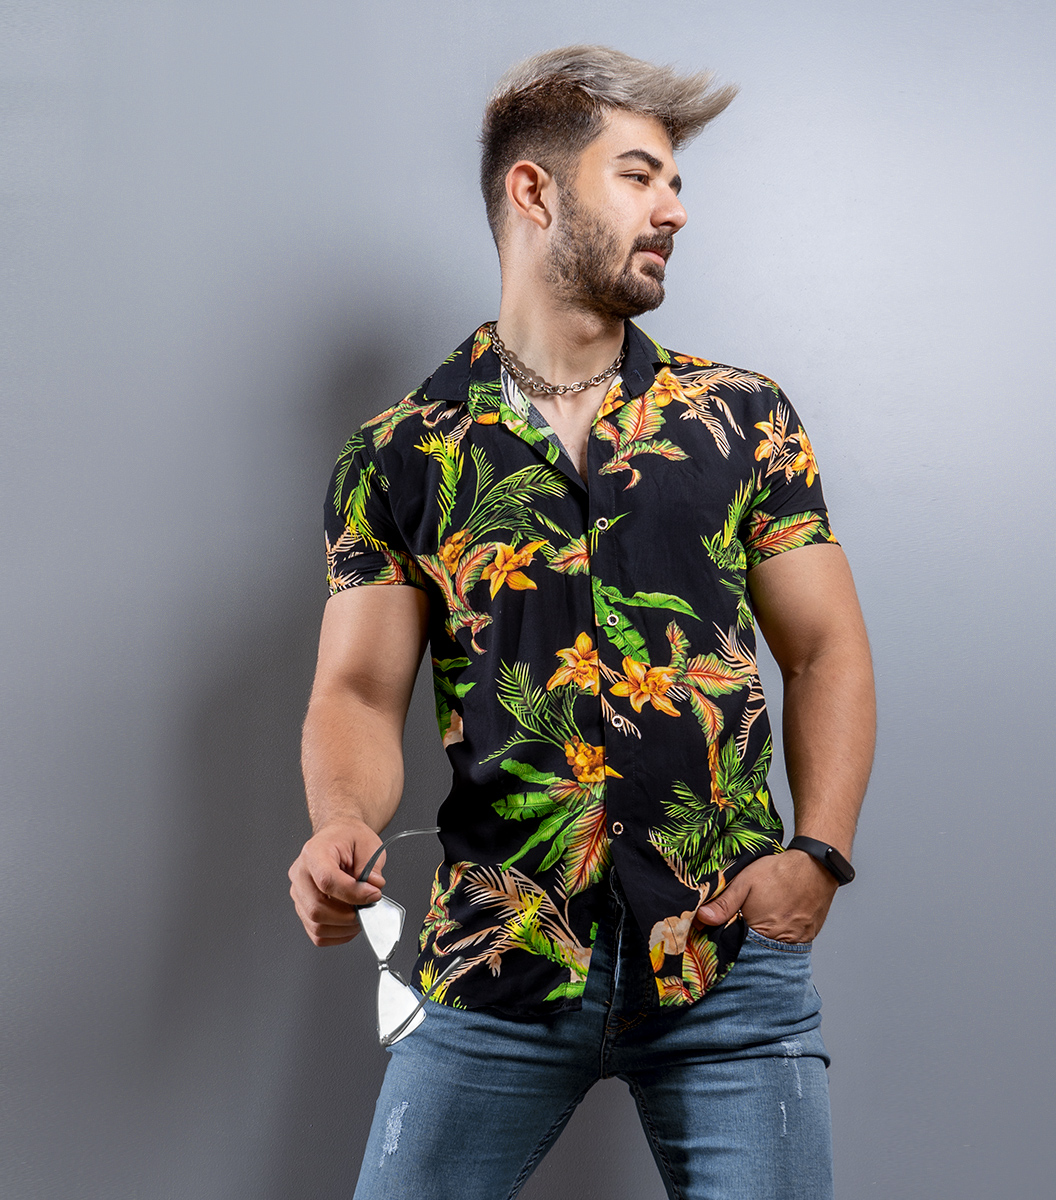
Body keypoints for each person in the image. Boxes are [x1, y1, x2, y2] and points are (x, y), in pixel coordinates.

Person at [288, 44, 875, 1200]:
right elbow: (357, 689)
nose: (675, 210)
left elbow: (825, 649)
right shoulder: (400, 454)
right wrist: (339, 823)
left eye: (676, 183)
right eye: (640, 176)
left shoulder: (743, 419)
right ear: (536, 191)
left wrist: (819, 854)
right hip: (498, 958)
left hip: (726, 963)